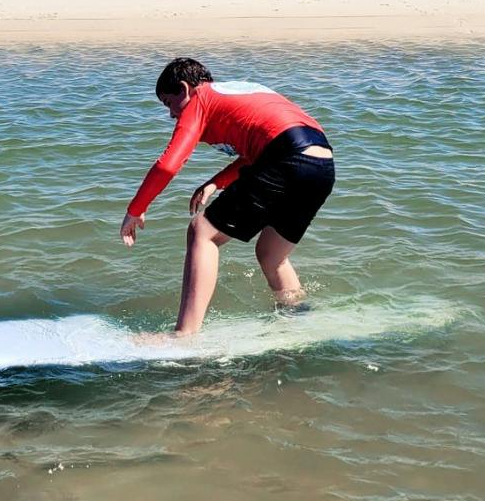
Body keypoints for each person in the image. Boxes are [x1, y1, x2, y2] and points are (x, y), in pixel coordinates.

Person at [119, 58, 335, 336]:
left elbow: (168, 164)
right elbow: (263, 145)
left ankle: (184, 335)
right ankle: (297, 316)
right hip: (321, 165)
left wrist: (136, 209)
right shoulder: (236, 92)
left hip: (287, 157)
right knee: (271, 255)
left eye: (168, 103)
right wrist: (216, 182)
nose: (171, 114)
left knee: (202, 231)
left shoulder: (200, 100)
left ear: (185, 89)